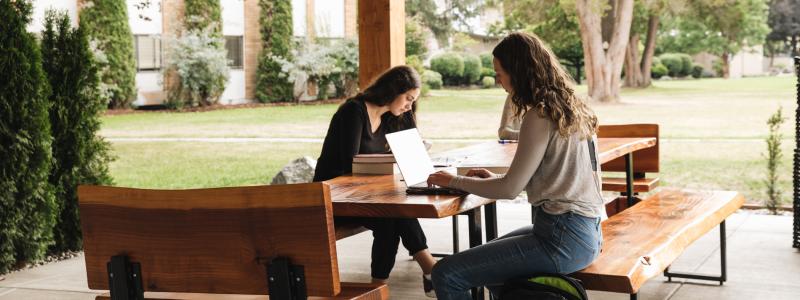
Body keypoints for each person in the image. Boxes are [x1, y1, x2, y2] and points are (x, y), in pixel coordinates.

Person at [426, 32, 605, 300]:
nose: (498, 80)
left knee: (446, 273)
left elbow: (510, 190)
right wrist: (493, 178)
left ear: (519, 72)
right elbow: (545, 177)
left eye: (500, 72)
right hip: (585, 233)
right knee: (492, 270)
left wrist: (452, 181)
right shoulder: (569, 107)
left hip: (561, 238)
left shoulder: (540, 115)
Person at [312, 66, 437, 297]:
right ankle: (429, 269)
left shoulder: (391, 117)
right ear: (392, 91)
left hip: (366, 195)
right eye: (408, 99)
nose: (409, 105)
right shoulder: (354, 111)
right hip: (335, 196)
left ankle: (378, 286)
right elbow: (349, 166)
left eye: (413, 101)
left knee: (392, 217)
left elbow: (410, 152)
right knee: (393, 214)